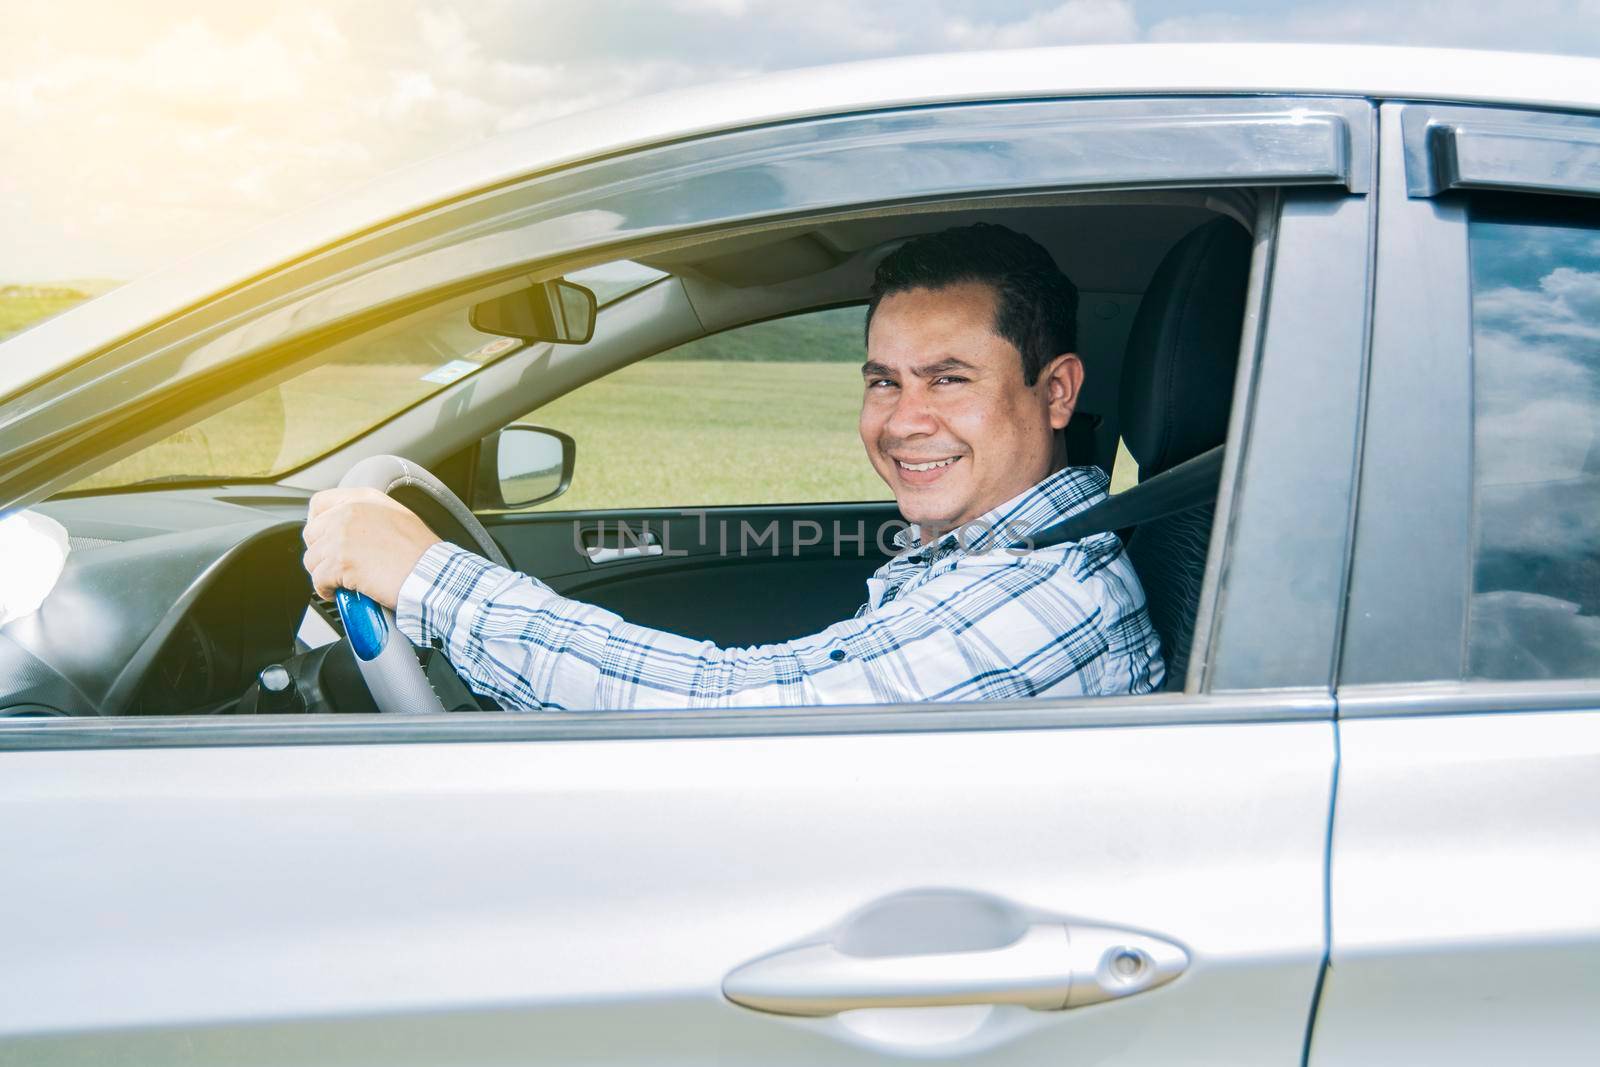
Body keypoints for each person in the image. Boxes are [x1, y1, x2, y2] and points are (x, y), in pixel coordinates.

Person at [302, 223, 1164, 709]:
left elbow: (729, 719)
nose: (904, 421)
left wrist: (427, 577)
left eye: (949, 379)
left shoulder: (1046, 598)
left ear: (1056, 393)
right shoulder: (989, 556)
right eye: (882, 381)